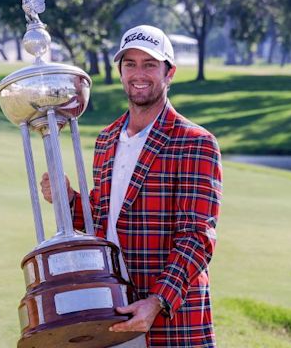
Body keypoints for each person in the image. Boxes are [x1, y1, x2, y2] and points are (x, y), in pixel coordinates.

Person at [41, 25, 222, 347]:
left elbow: (197, 238)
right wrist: (68, 200)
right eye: (130, 64)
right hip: (111, 308)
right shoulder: (107, 139)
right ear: (121, 71)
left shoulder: (195, 143)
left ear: (170, 73)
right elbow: (102, 221)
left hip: (171, 317)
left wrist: (157, 301)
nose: (139, 73)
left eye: (150, 64)